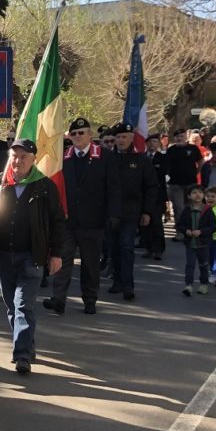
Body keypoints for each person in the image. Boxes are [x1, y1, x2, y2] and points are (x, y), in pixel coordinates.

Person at [0, 139, 66, 374]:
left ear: (34, 159)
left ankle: (22, 355)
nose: (17, 161)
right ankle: (27, 345)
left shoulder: (45, 186)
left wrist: (56, 254)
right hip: (1, 254)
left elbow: (57, 222)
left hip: (31, 255)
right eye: (14, 156)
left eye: (23, 157)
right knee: (12, 305)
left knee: (23, 305)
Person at [45, 117, 118, 315]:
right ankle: (58, 299)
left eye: (82, 133)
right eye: (74, 133)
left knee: (90, 263)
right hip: (67, 220)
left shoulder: (105, 156)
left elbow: (113, 187)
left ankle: (90, 299)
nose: (77, 136)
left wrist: (112, 214)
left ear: (90, 135)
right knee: (62, 259)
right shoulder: (63, 157)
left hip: (93, 220)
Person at [108, 123, 159, 299]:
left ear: (131, 138)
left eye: (124, 137)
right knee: (113, 247)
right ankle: (117, 281)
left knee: (126, 246)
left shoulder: (141, 159)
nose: (121, 140)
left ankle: (128, 285)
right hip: (110, 211)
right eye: (118, 137)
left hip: (131, 211)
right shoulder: (107, 158)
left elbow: (151, 187)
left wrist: (147, 212)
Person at [175, 184, 215, 296]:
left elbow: (213, 226)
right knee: (190, 264)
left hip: (203, 243)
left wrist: (201, 232)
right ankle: (188, 285)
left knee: (203, 264)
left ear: (203, 195)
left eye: (200, 193)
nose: (198, 195)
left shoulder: (207, 210)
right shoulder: (187, 210)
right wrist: (186, 230)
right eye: (194, 192)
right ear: (189, 196)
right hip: (190, 243)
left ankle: (203, 284)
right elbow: (179, 224)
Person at [164, 129, 203, 238]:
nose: (179, 138)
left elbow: (200, 161)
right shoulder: (171, 150)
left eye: (181, 136)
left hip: (191, 183)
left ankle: (193, 229)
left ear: (186, 137)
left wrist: (197, 171)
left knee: (191, 207)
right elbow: (166, 165)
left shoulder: (193, 148)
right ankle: (180, 232)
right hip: (175, 184)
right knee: (179, 208)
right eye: (177, 137)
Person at [142, 132, 169, 260]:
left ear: (158, 144)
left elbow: (162, 172)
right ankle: (148, 248)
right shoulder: (142, 157)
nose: (152, 144)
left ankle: (159, 249)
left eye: (154, 142)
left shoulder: (162, 158)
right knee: (145, 223)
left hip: (158, 195)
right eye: (150, 142)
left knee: (157, 223)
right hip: (143, 194)